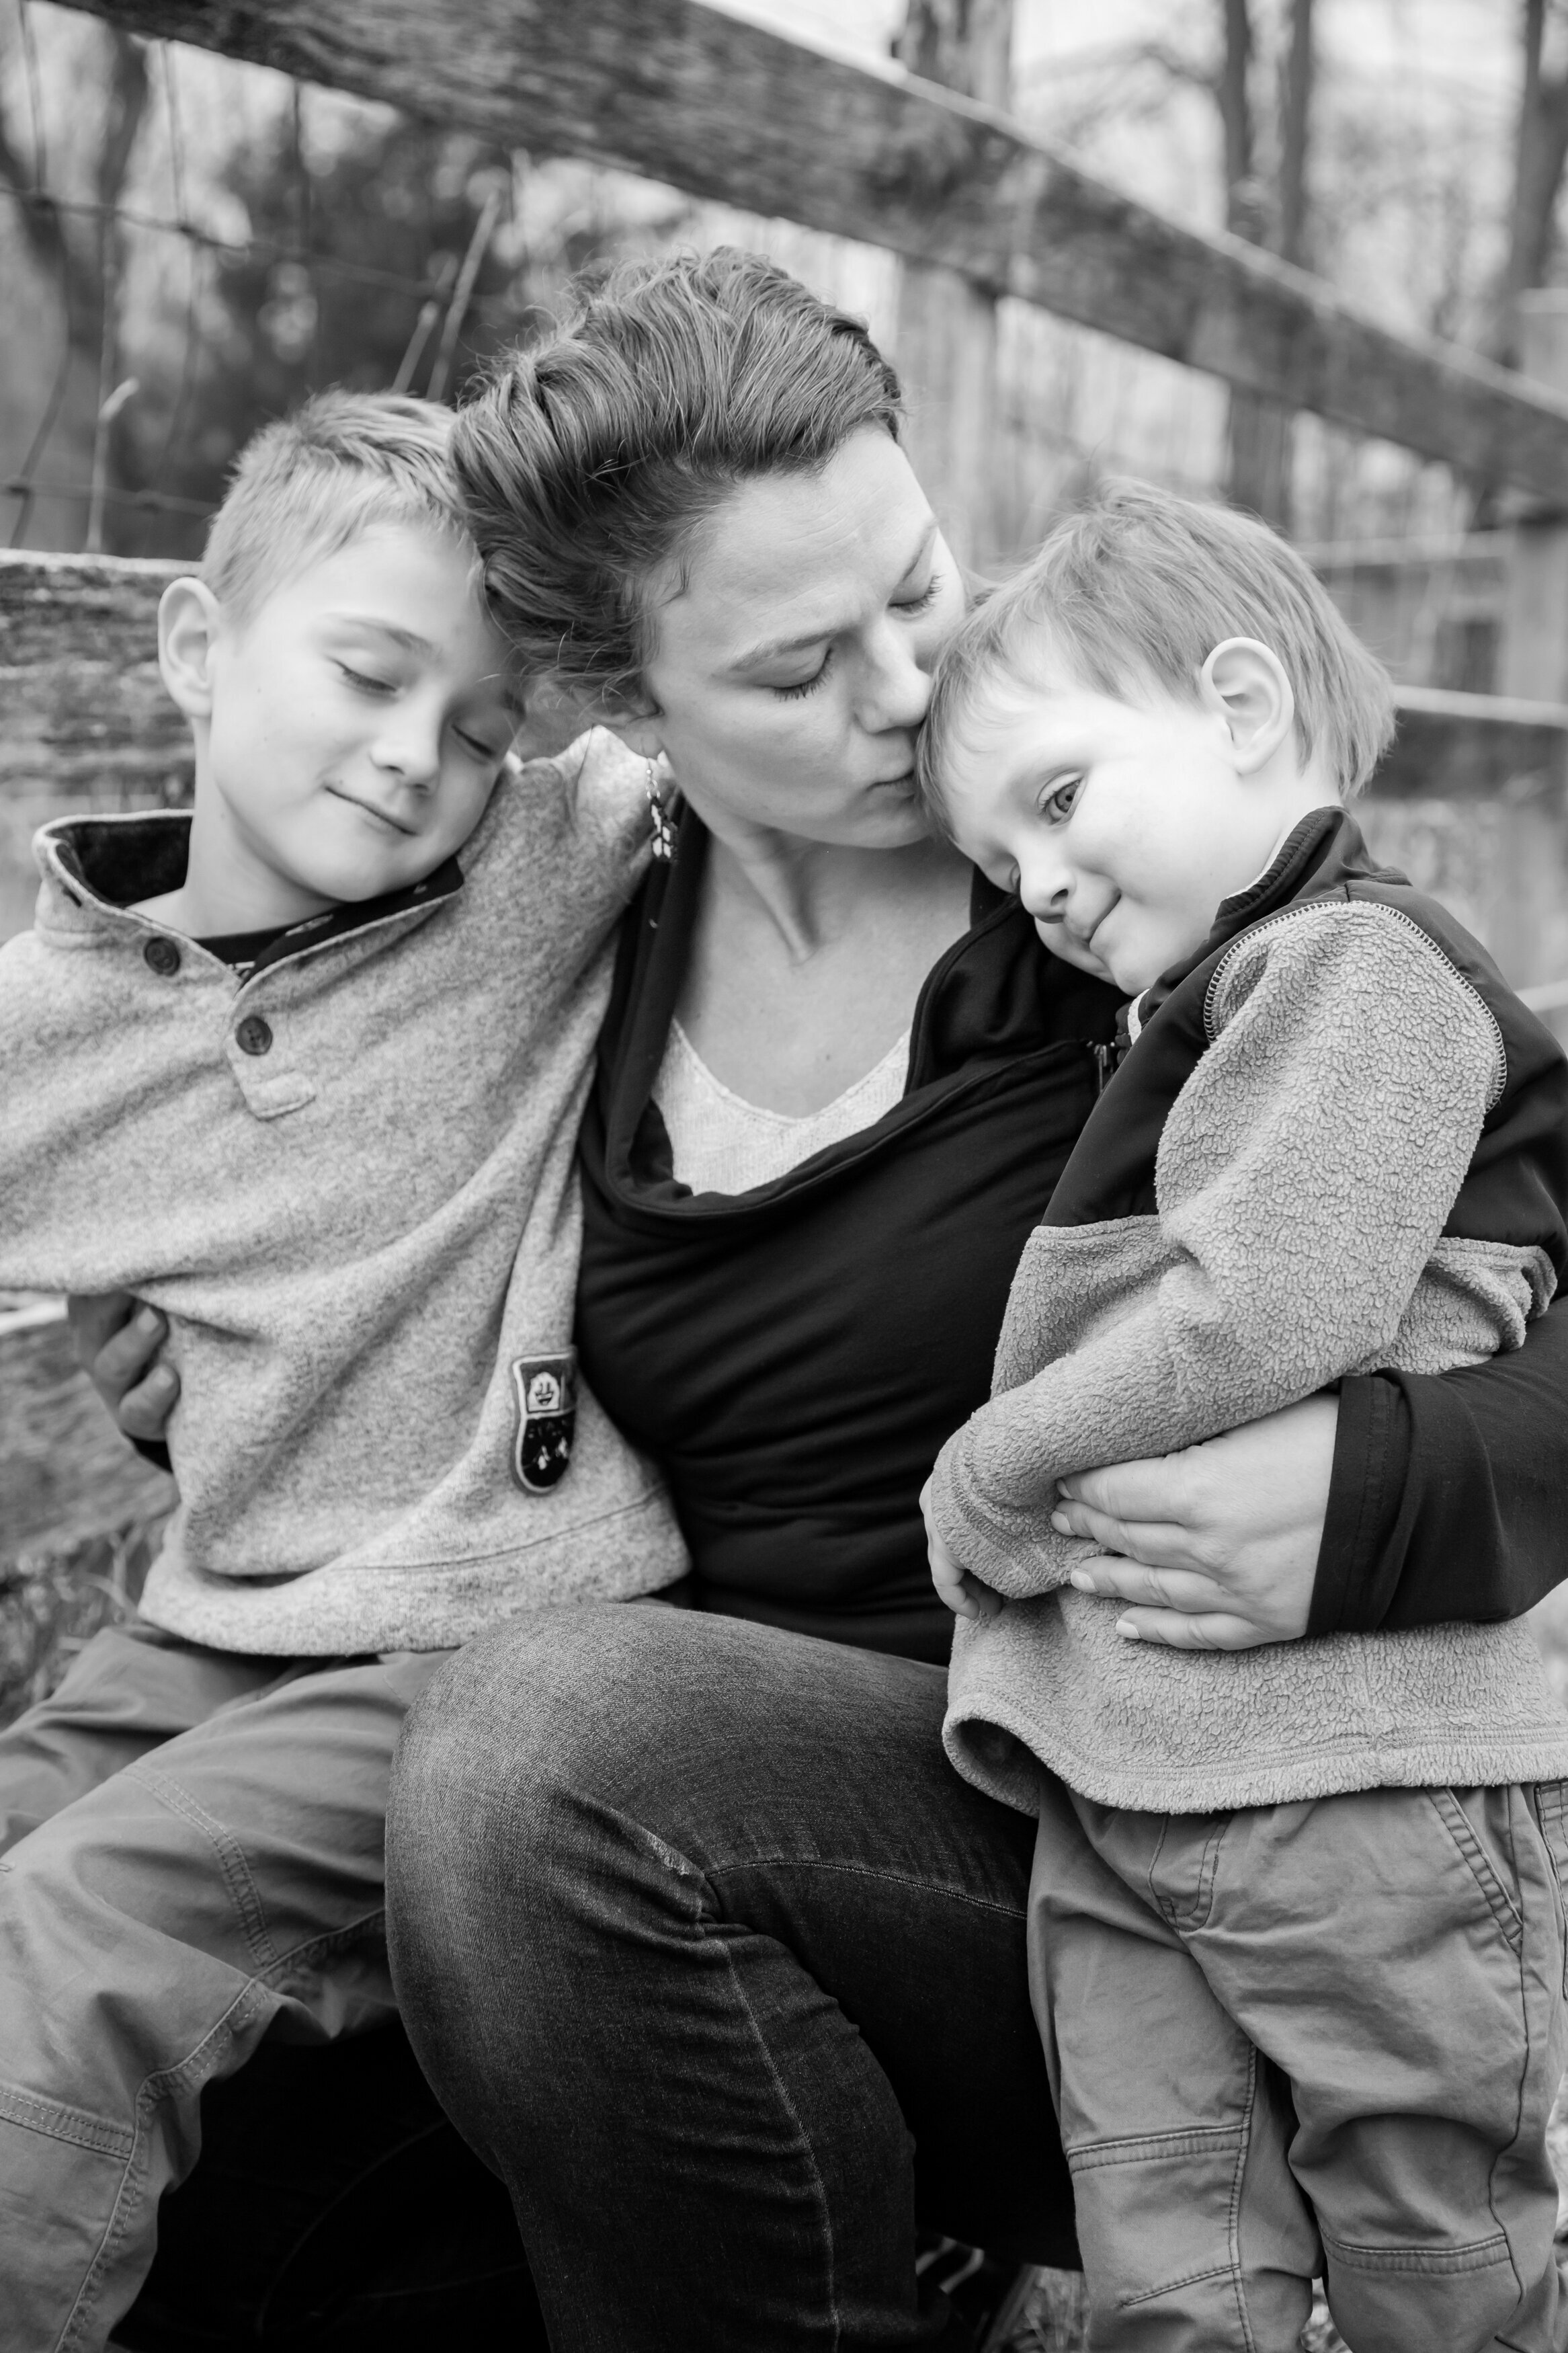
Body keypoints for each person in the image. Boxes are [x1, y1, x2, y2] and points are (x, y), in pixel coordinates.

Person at [78, 254, 1568, 2351]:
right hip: (632, 1913)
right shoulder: (573, 938)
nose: (902, 681)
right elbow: (334, 1208)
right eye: (799, 663)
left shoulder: (1111, 875)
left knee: (539, 1748)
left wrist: (1385, 1481)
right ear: (628, 706)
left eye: (920, 582)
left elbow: (1504, 1208)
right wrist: (192, 1367)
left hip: (1121, 1870)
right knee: (209, 2222)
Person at [0, 390, 684, 2352]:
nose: (419, 758)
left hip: (476, 1635)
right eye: (369, 675)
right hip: (211, 1622)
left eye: (483, 726)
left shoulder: (545, 873)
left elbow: (754, 678)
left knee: (64, 1949)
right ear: (200, 651)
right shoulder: (50, 1037)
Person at [917, 481, 1568, 2351]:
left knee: (1440, 2251)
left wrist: (999, 1466)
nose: (1036, 885)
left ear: (1240, 707)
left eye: (1056, 800)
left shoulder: (1361, 971)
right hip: (1137, 1780)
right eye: (999, 860)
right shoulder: (1201, 996)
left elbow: (1270, 1302)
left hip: (1361, 1770)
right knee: (1169, 2270)